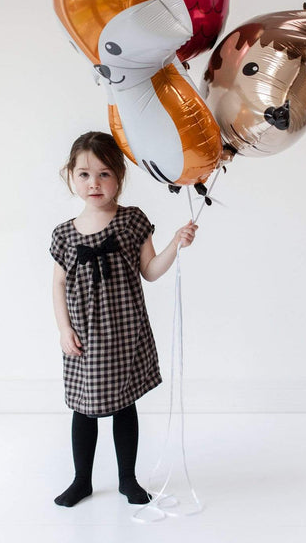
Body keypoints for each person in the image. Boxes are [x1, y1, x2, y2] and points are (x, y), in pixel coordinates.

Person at [50, 131, 198, 506]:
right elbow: (58, 285)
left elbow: (150, 270)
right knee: (84, 409)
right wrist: (64, 329)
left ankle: (127, 479)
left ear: (119, 176)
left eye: (104, 174)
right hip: (85, 338)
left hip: (125, 334)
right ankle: (81, 480)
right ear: (70, 175)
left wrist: (175, 243)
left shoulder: (132, 221)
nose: (94, 183)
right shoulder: (65, 235)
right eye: (84, 174)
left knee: (123, 404)